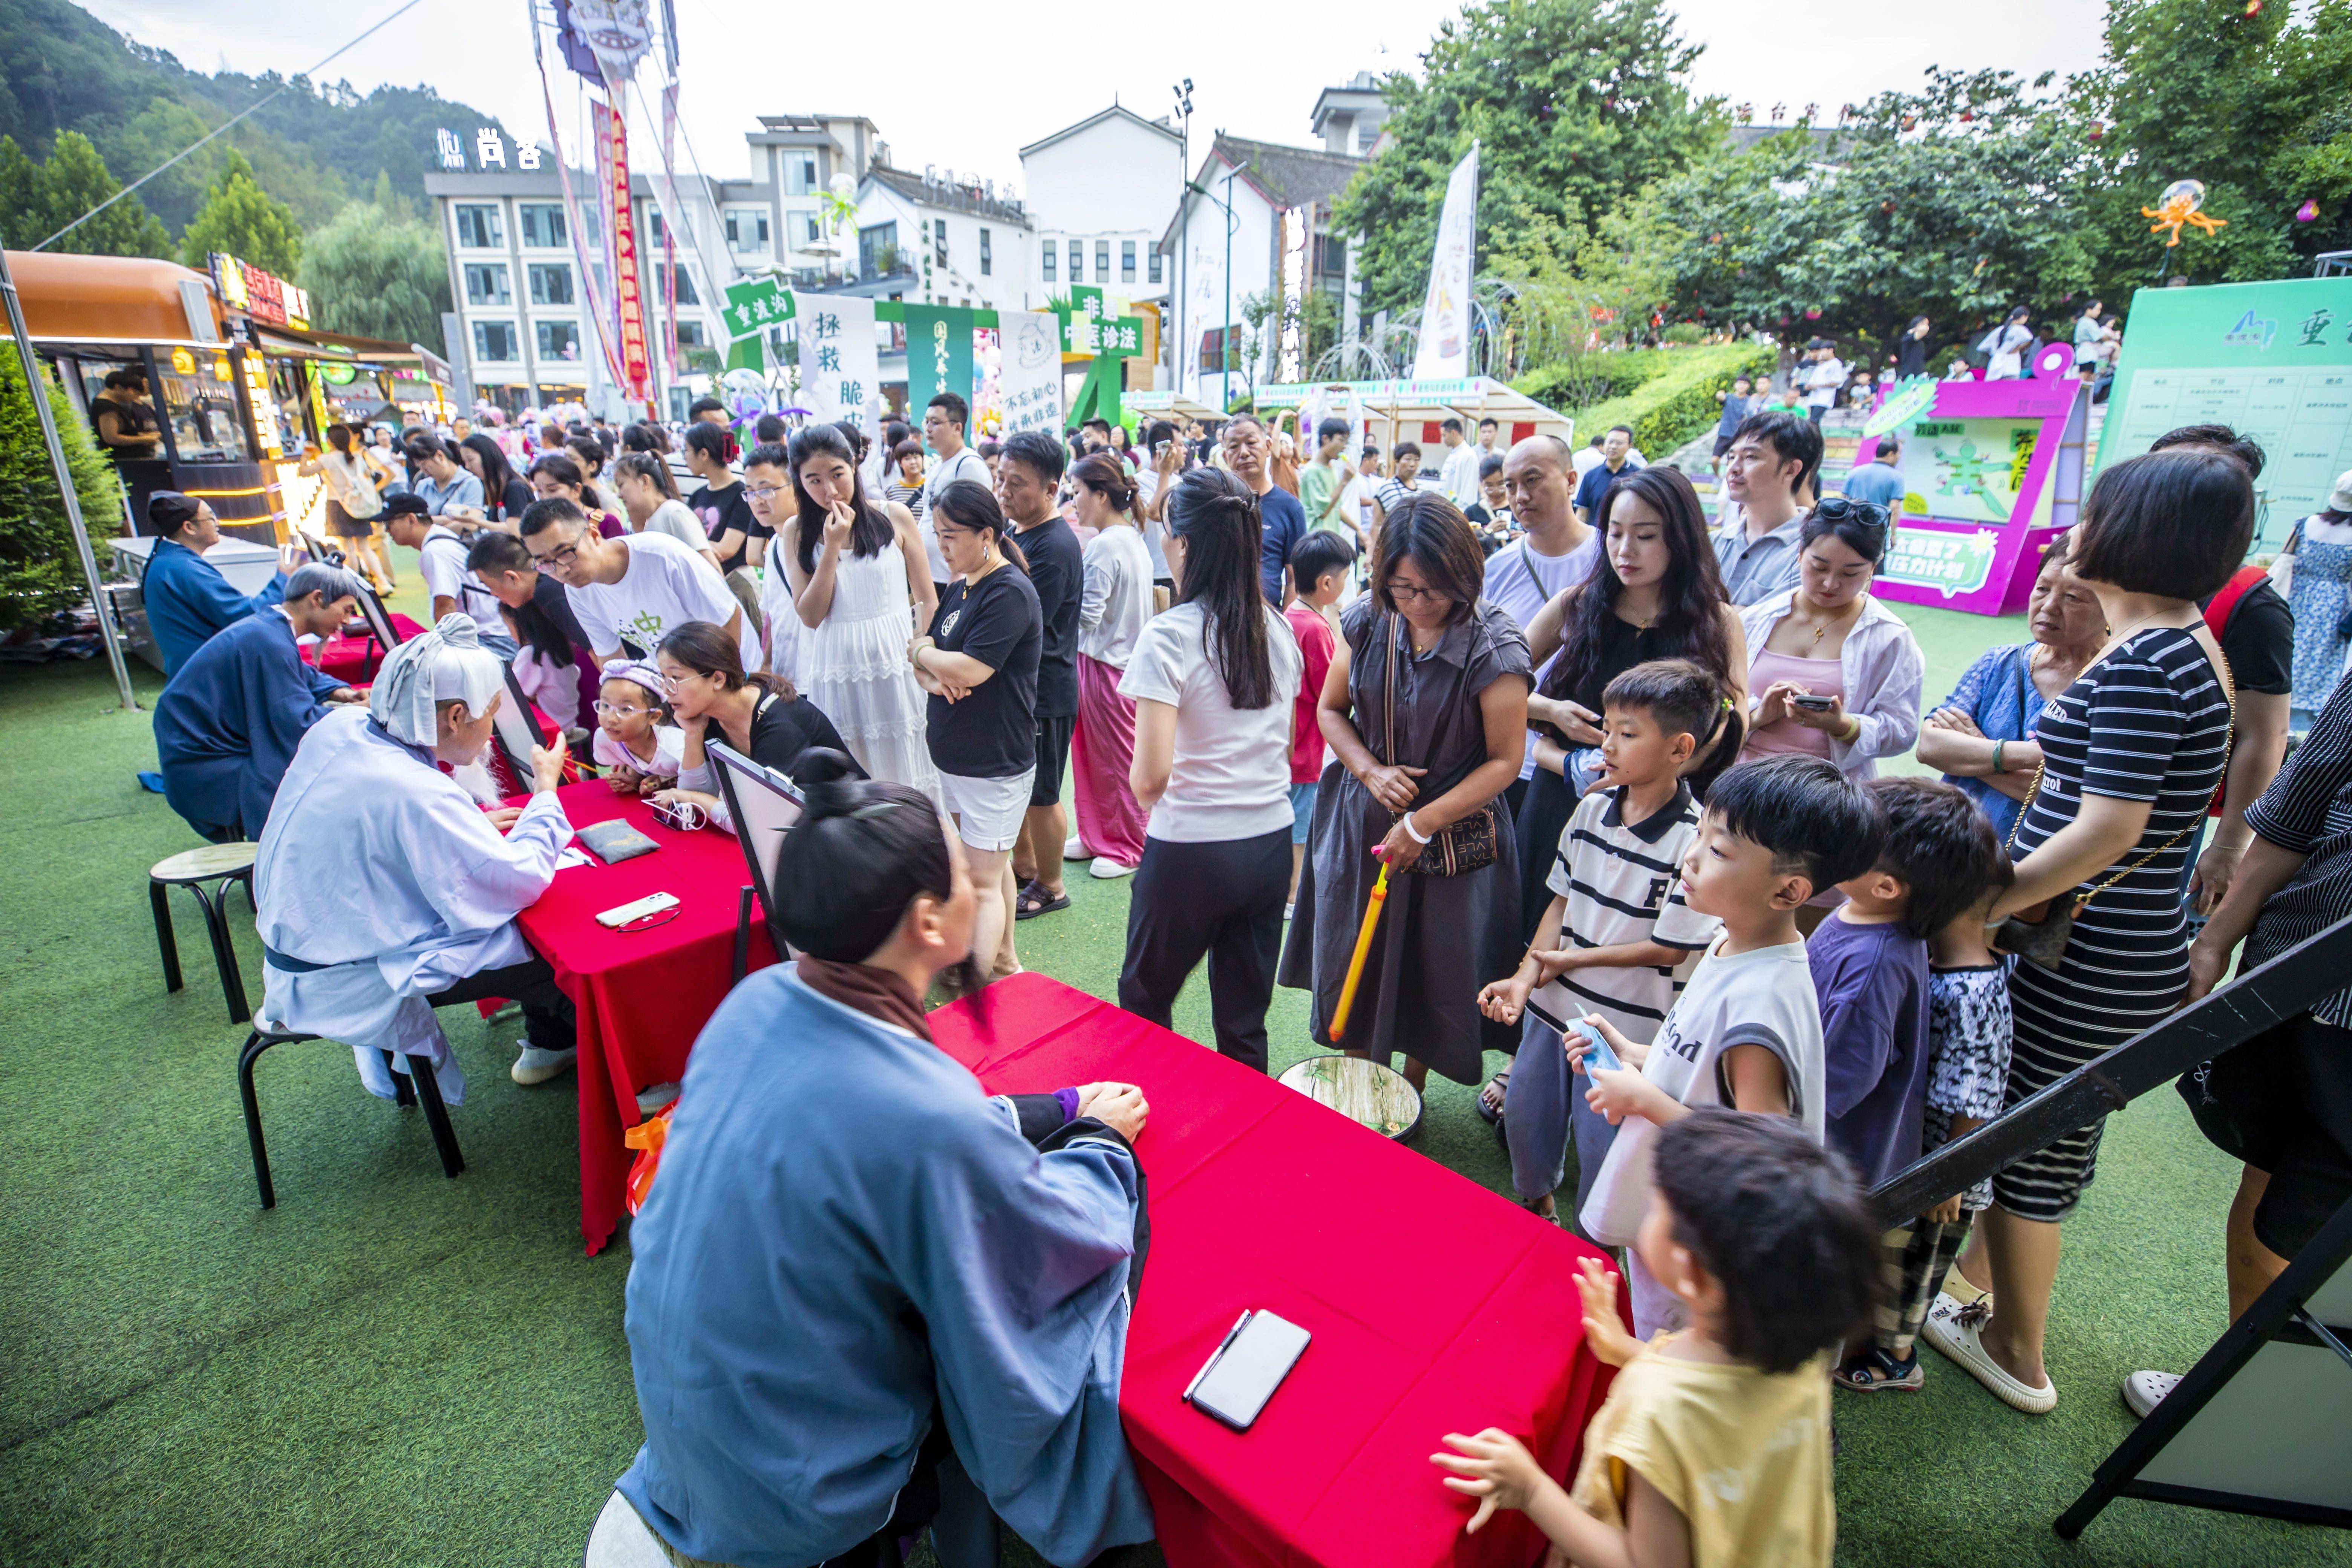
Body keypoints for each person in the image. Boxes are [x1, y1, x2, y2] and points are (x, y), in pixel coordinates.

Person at [614, 751, 1153, 1568]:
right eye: (964, 865)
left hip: (697, 1432)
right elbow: (1045, 1253)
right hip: (809, 1483)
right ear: (932, 922)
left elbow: (892, 1146)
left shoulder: (754, 1002)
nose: (979, 878)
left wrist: (1060, 1107)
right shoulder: (923, 1116)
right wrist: (1102, 1148)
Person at [1932, 449, 2242, 1416]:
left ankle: (2019, 1352)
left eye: (2095, 511)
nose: (2073, 530)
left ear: (2138, 531)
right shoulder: (2174, 642)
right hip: (2111, 945)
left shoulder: (2149, 661)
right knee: (2046, 1134)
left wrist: (1991, 904)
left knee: (2036, 1147)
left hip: (2088, 952)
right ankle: (1980, 1293)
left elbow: (2111, 827)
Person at [1432, 1110, 1875, 1568]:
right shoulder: (1798, 1357)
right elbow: (1728, 1399)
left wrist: (1532, 1489)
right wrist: (1627, 1349)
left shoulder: (1659, 1412)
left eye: (1657, 1202)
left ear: (1692, 1270)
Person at [1577, 753, 1876, 1335]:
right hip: (1675, 1208)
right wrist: (1636, 1055)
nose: (1690, 855)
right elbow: (1701, 1068)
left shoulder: (1762, 1005)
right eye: (1700, 832)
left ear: (1789, 892)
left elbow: (1761, 1152)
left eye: (1717, 851)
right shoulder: (1731, 942)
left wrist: (1641, 1098)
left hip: (1704, 1245)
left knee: (1663, 1346)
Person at [2140, 672, 2352, 1418]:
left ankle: (2259, 1410)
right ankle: (2233, 1400)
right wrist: (2214, 941)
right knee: (2268, 1200)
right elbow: (2295, 818)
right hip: (2299, 980)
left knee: (2299, 1219)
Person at [254, 616, 579, 1098]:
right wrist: (547, 790)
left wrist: (461, 832)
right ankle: (588, 1054)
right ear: (454, 718)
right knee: (553, 954)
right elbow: (517, 880)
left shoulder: (345, 727)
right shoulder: (416, 792)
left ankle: (557, 1040)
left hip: (307, 947)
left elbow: (374, 833)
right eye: (488, 713)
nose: (490, 730)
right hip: (350, 971)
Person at [1279, 493, 1532, 1093]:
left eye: (1434, 589)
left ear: (1464, 575)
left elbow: (1505, 760)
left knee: (1437, 963)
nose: (1418, 603)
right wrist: (1369, 770)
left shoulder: (1494, 645)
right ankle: (1366, 1078)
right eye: (1403, 587)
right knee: (1355, 957)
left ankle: (1410, 1086)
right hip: (1365, 820)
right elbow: (1332, 711)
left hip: (1452, 830)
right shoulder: (1369, 620)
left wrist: (1422, 825)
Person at [1480, 660, 1733, 1228]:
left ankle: (1596, 1244)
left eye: (1628, 733)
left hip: (1626, 1034)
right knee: (1526, 1120)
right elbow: (1561, 900)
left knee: (1604, 1151)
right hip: (1552, 1011)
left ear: (1679, 747)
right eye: (1609, 728)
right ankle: (1537, 1210)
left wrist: (1566, 960)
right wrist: (1526, 980)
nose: (1607, 745)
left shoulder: (1693, 840)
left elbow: (1667, 949)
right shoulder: (1592, 807)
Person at [1515, 465, 1746, 972]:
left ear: (1681, 540)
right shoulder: (1578, 604)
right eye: (1615, 534)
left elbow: (1734, 715)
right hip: (1564, 801)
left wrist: (1659, 775)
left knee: (1622, 948)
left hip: (1661, 816)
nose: (1625, 551)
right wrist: (1550, 709)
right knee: (1540, 930)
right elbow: (1496, 684)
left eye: (1645, 537)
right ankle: (1525, 1052)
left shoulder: (1716, 621)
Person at [1119, 469, 1306, 1071]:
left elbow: (1148, 782)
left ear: (1188, 545)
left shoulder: (1169, 635)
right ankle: (1247, 1145)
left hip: (1190, 852)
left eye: (1168, 533)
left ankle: (1154, 1125)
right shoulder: (1280, 629)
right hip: (1270, 845)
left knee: (1144, 1001)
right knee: (1244, 1019)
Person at [1835, 780, 2014, 1393]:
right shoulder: (1918, 946)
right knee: (1887, 1260)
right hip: (1911, 1152)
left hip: (1943, 1171)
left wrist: (1950, 1176)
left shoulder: (1973, 991)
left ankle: (1897, 1360)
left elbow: (1975, 1097)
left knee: (1912, 1271)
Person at [2145, 425, 2295, 913]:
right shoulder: (2114, 575)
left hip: (2168, 819)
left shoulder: (2253, 607)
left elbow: (2264, 735)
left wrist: (2229, 846)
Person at [910, 481, 1044, 983]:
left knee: (982, 879)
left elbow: (968, 671)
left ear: (985, 534)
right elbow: (930, 660)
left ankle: (978, 983)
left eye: (949, 536)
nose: (940, 546)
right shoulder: (965, 582)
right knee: (987, 867)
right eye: (937, 534)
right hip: (956, 752)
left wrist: (926, 657)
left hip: (994, 758)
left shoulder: (1007, 590)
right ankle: (1003, 960)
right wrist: (929, 665)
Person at [779, 421, 940, 799]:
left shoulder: (894, 514)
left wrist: (922, 654)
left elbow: (927, 598)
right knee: (856, 776)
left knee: (912, 771)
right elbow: (811, 615)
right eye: (814, 480)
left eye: (837, 474)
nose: (829, 490)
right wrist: (831, 546)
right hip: (837, 668)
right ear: (799, 482)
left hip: (899, 663)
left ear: (854, 465)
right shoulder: (796, 530)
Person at [153, 563, 362, 841]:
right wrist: (359, 712)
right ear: (316, 599)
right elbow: (297, 724)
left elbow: (298, 672)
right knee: (321, 779)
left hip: (191, 756)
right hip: (207, 769)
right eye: (347, 609)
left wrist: (341, 693)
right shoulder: (270, 641)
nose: (348, 621)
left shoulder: (269, 627)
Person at [1917, 537, 2105, 843]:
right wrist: (2030, 755)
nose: (2048, 606)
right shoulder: (1998, 663)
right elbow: (1930, 746)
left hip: (2039, 865)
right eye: (2043, 589)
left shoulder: (2113, 686)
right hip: (1951, 848)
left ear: (2111, 606)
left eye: (2072, 597)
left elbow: (2074, 801)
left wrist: (1972, 750)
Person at [1737, 498, 1923, 787]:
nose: (1831, 584)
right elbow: (1718, 702)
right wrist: (1758, 714)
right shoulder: (1755, 620)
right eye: (1819, 567)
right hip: (1743, 781)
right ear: (1800, 554)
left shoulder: (1890, 637)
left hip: (1830, 795)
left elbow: (1902, 729)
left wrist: (1842, 725)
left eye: (1851, 574)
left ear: (1874, 568)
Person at [987, 431, 1085, 921]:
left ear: (1051, 489)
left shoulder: (1054, 546)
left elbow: (1026, 622)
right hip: (1028, 689)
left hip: (1047, 691)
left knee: (1044, 794)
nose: (1003, 490)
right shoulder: (1020, 532)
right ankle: (1027, 866)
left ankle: (1052, 884)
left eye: (1017, 483)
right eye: (1000, 477)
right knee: (1025, 788)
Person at [1484, 436, 1602, 818]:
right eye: (1511, 485)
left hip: (1596, 763)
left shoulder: (1614, 559)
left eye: (1533, 480)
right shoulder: (1496, 570)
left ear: (1571, 480)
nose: (1520, 496)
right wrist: (1549, 710)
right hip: (1510, 765)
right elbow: (1482, 676)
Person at [655, 619, 861, 835]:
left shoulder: (780, 725)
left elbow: (763, 823)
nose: (667, 690)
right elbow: (693, 805)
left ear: (717, 679)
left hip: (850, 832)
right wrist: (693, 734)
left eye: (676, 678)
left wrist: (693, 799)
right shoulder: (708, 716)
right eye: (663, 679)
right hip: (810, 831)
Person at [522, 496, 761, 669]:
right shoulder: (577, 592)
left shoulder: (662, 556)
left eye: (565, 552)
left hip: (735, 671)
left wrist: (724, 685)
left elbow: (729, 621)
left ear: (594, 536)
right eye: (545, 563)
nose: (561, 570)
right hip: (678, 689)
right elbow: (611, 660)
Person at [1065, 452, 1154, 879]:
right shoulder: (1130, 537)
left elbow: (1088, 615)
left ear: (1101, 495)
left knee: (1114, 761)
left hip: (1106, 664)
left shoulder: (1105, 544)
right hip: (1114, 663)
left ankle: (1126, 846)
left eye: (1077, 491)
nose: (1073, 500)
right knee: (1098, 758)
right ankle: (1098, 834)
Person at [136, 491, 294, 676]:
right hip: (206, 675)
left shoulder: (168, 561)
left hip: (190, 670)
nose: (218, 523)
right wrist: (284, 578)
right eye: (211, 518)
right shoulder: (184, 568)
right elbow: (245, 615)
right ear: (189, 527)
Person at [467, 528, 601, 727]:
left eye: (489, 585)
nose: (493, 594)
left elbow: (596, 649)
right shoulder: (545, 587)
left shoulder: (548, 595)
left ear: (512, 577)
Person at [1283, 531, 1352, 908]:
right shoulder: (1315, 629)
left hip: (1287, 744)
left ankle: (1288, 888)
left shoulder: (1292, 616)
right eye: (1344, 577)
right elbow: (1332, 688)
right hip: (1306, 748)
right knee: (1299, 826)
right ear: (1327, 583)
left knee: (1291, 819)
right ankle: (1294, 894)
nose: (1345, 585)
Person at [1712, 411, 1822, 606]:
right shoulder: (1713, 544)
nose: (1734, 468)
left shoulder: (1812, 553)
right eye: (1731, 457)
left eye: (1751, 457)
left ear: (1791, 469)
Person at [394, 495, 516, 657]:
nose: (387, 530)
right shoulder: (440, 535)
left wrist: (444, 651)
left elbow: (445, 604)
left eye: (389, 523)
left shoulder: (434, 550)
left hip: (488, 638)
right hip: (497, 631)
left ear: (411, 520)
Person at [2283, 468, 2352, 730]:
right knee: (2324, 659)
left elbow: (2284, 561)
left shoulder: (2304, 524)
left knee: (2291, 651)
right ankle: (2306, 726)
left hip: (2295, 600)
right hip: (2335, 608)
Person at [1218, 416, 1305, 608]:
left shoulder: (1290, 508)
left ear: (1267, 446)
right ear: (1225, 457)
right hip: (1217, 616)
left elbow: (1294, 578)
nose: (1244, 453)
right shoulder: (1216, 504)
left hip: (1267, 616)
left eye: (1251, 443)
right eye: (1233, 447)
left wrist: (1285, 626)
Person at [297, 424, 392, 589]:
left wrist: (306, 456)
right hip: (357, 506)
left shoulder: (327, 459)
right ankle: (383, 582)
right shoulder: (355, 457)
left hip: (338, 505)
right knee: (364, 547)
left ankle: (351, 586)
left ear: (330, 441)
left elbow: (304, 472)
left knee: (347, 548)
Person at [916, 392, 990, 594]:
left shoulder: (969, 465)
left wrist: (958, 575)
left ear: (957, 428)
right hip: (929, 574)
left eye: (936, 422)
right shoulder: (936, 467)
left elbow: (978, 525)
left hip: (952, 577)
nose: (928, 428)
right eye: (926, 422)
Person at [611, 452, 722, 571]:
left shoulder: (674, 513)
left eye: (621, 485)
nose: (619, 495)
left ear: (644, 481)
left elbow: (712, 568)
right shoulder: (654, 519)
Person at [589, 657, 682, 796]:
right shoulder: (604, 738)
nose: (611, 719)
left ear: (653, 717)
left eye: (625, 710)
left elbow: (705, 787)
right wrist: (635, 779)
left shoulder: (677, 749)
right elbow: (637, 765)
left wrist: (664, 783)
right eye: (605, 706)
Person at [683, 422, 762, 576]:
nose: (684, 457)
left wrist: (691, 546)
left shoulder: (741, 495)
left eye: (686, 450)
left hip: (735, 581)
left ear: (704, 455)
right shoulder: (697, 495)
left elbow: (726, 550)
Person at [90, 368, 167, 522]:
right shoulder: (106, 408)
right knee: (132, 508)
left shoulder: (115, 406)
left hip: (130, 463)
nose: (134, 398)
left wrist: (145, 436)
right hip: (123, 464)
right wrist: (144, 440)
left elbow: (124, 433)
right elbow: (111, 438)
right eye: (133, 392)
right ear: (118, 388)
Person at [528, 452, 623, 537]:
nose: (544, 497)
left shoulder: (606, 523)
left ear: (577, 490)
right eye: (539, 491)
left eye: (553, 490)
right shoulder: (541, 527)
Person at [459, 431, 535, 528]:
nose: (467, 467)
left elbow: (515, 530)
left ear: (487, 456)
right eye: (465, 462)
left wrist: (475, 521)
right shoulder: (491, 487)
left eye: (470, 460)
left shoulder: (515, 487)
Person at [1571, 426, 1641, 528]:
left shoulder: (1639, 476)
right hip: (1596, 538)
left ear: (1630, 446)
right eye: (1610, 442)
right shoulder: (1591, 476)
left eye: (1619, 443)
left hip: (1626, 539)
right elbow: (1582, 513)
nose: (1613, 446)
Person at [1298, 416, 1356, 538]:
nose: (1344, 446)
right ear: (1325, 439)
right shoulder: (1312, 471)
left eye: (1346, 442)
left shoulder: (1331, 469)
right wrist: (1344, 482)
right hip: (1317, 540)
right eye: (1341, 440)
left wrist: (1359, 531)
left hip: (1331, 538)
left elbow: (1335, 508)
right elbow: (1323, 512)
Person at [406, 432, 485, 518]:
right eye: (420, 467)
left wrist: (427, 522)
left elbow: (471, 523)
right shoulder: (423, 486)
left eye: (424, 464)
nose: (424, 471)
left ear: (440, 456)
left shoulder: (470, 482)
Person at [1840, 431, 1905, 511]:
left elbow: (1844, 499)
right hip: (1878, 523)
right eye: (1900, 453)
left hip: (1852, 522)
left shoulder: (1855, 472)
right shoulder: (1896, 477)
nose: (1900, 457)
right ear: (1891, 454)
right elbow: (1894, 507)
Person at [1434, 416, 1482, 509]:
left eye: (1444, 435)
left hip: (1459, 511)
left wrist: (1463, 512)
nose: (1443, 439)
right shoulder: (1454, 454)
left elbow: (1468, 492)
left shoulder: (1468, 455)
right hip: (1447, 508)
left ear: (1453, 433)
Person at [1372, 441, 1422, 533]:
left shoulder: (1422, 489)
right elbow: (1376, 524)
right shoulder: (1386, 488)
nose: (1412, 464)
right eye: (1408, 459)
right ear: (1397, 462)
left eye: (1417, 460)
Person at [1710, 374, 1755, 474]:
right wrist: (1719, 394)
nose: (1742, 386)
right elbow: (1720, 397)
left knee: (1731, 463)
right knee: (1714, 460)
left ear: (1748, 386)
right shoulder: (1728, 397)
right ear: (1735, 385)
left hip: (1739, 436)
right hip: (1725, 434)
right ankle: (1717, 476)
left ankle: (1727, 483)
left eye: (1745, 384)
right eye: (1740, 383)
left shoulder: (1750, 400)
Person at [1798, 339, 1846, 424]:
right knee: (1812, 422)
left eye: (1823, 351)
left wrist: (1817, 386)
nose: (1821, 354)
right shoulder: (1821, 365)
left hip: (1824, 400)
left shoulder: (1836, 363)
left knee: (1814, 423)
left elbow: (1837, 382)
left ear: (1831, 350)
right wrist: (1808, 386)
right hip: (1814, 399)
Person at [1978, 306, 2034, 380]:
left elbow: (1982, 347)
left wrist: (1994, 353)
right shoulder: (2020, 329)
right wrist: (2018, 348)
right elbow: (2030, 338)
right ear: (2024, 317)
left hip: (1995, 367)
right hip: (2011, 367)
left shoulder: (1999, 330)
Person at [883, 439, 926, 510]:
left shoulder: (932, 485)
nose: (913, 462)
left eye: (916, 457)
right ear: (900, 463)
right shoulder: (891, 490)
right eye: (907, 459)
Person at [2072, 300, 2105, 372]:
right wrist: (2112, 337)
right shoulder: (2088, 322)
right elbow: (2100, 337)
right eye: (2097, 309)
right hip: (2087, 353)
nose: (2099, 312)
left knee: (2090, 376)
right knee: (2086, 375)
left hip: (2088, 353)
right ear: (2089, 310)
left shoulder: (2083, 321)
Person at [1896, 315, 1932, 380]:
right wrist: (1915, 329)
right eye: (1924, 323)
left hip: (1917, 372)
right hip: (1909, 373)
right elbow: (1925, 328)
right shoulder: (1908, 338)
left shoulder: (1914, 338)